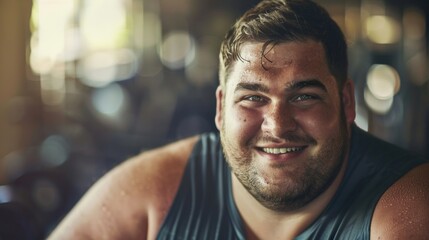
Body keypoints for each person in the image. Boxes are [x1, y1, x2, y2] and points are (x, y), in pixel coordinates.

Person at [48, 0, 429, 239]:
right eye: (252, 98)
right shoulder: (157, 192)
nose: (277, 125)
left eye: (304, 96)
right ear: (220, 109)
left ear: (346, 103)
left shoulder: (404, 207)